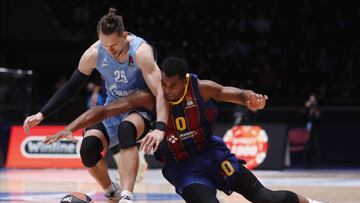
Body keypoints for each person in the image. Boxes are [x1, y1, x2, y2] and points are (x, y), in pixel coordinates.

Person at [45, 57, 326, 203]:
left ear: (184, 80)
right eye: (164, 84)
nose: (167, 89)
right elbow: (104, 111)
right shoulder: (151, 97)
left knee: (266, 199)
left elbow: (234, 93)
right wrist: (70, 127)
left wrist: (252, 98)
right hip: (184, 169)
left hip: (212, 155)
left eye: (173, 85)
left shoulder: (199, 87)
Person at [23, 8, 168, 203]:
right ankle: (111, 191)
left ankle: (127, 196)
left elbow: (160, 92)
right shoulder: (94, 53)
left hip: (140, 108)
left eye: (114, 45)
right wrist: (42, 114)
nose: (109, 50)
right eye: (104, 45)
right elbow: (71, 88)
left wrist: (160, 127)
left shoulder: (141, 51)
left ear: (125, 36)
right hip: (112, 107)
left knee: (127, 130)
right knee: (88, 149)